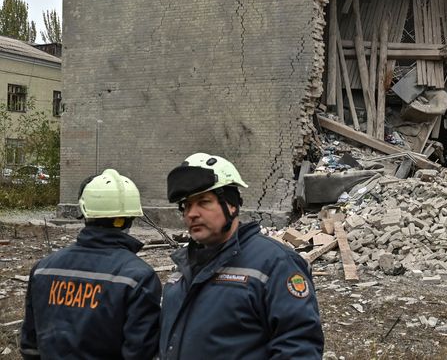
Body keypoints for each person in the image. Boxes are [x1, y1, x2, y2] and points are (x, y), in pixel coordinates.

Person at [160, 152, 324, 359]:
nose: (192, 213)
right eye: (187, 205)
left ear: (231, 205)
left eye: (203, 202)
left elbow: (299, 347)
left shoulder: (275, 264)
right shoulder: (184, 268)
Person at [19, 169, 161, 360]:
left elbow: (30, 347)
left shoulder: (43, 269)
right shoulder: (137, 277)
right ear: (130, 218)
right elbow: (140, 352)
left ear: (85, 213)